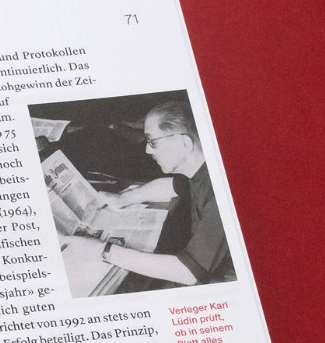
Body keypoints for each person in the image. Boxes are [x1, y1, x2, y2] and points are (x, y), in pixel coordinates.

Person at [87, 99, 233, 287]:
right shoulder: (203, 172)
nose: (147, 149)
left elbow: (188, 273)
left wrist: (102, 249)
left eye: (153, 142)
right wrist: (123, 198)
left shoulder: (221, 194)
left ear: (184, 143)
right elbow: (171, 185)